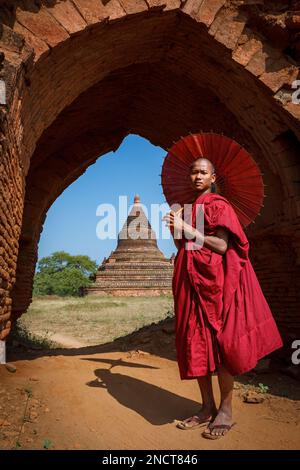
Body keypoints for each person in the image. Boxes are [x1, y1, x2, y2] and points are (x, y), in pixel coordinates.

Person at [162, 157, 283, 439]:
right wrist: (176, 226)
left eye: (203, 172)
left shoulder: (219, 206)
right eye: (193, 172)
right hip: (190, 280)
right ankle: (206, 408)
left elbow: (221, 245)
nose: (197, 177)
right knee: (195, 343)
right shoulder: (187, 210)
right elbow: (184, 246)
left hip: (216, 282)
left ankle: (226, 410)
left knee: (221, 344)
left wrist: (189, 229)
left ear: (213, 177)